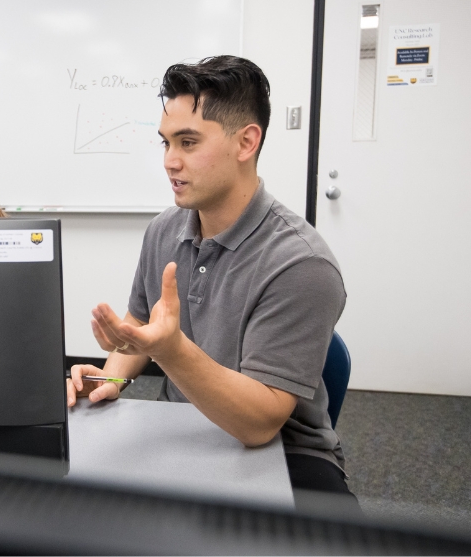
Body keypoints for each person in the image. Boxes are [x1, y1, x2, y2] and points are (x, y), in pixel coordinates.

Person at [67, 56, 353, 497]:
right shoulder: (165, 228)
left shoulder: (301, 264)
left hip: (285, 452)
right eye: (165, 143)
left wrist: (171, 349)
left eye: (187, 142)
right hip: (178, 427)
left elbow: (259, 424)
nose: (169, 161)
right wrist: (112, 378)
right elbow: (144, 324)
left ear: (246, 142)